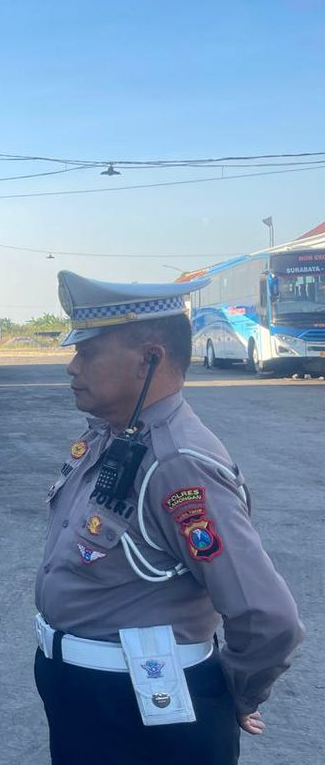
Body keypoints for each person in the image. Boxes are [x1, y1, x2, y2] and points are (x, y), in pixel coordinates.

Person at [35, 270, 304, 765]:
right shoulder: (111, 435)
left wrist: (231, 695)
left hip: (142, 715)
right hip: (87, 699)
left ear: (149, 357)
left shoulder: (177, 461)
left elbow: (269, 618)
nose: (73, 367)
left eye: (88, 352)